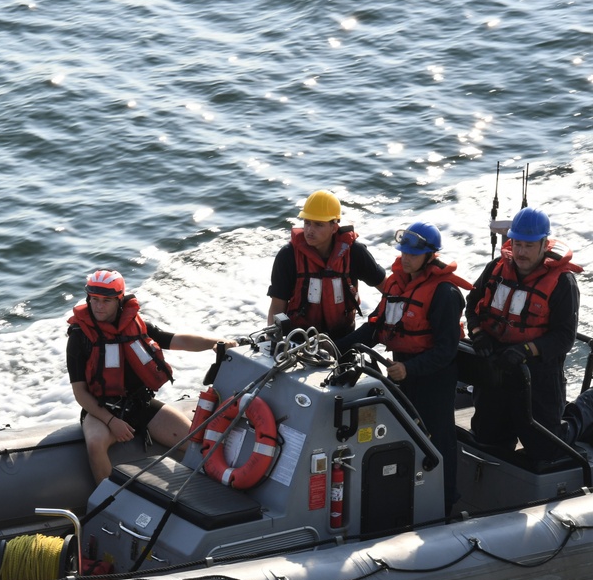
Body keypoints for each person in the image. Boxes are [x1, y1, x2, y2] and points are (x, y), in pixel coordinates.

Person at [336, 222, 472, 514]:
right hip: (401, 372)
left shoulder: (445, 293)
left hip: (434, 378)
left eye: (413, 253)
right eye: (404, 252)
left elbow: (447, 350)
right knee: (405, 436)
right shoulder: (398, 285)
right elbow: (374, 327)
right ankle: (408, 494)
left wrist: (410, 370)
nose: (406, 258)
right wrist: (335, 348)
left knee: (439, 437)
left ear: (430, 255)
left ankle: (447, 503)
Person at [67, 269, 238, 484]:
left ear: (119, 301)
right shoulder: (79, 336)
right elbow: (80, 393)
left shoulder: (135, 326)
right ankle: (106, 500)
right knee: (95, 443)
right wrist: (111, 422)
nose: (99, 306)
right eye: (94, 299)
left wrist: (217, 342)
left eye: (106, 300)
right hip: (102, 409)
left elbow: (178, 340)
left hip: (140, 404)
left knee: (195, 441)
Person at [467, 207, 583, 461]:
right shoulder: (495, 269)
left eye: (529, 246)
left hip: (538, 375)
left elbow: (564, 338)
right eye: (517, 243)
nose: (520, 252)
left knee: (548, 448)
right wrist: (478, 334)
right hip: (496, 368)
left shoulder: (563, 283)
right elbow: (472, 304)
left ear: (544, 244)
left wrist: (525, 350)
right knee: (487, 439)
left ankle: (584, 410)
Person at [267, 190, 387, 341]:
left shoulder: (355, 252)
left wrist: (374, 324)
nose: (310, 230)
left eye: (318, 224)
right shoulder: (288, 256)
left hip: (344, 340)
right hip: (299, 341)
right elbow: (277, 306)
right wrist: (272, 342)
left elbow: (390, 291)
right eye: (307, 223)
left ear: (334, 227)